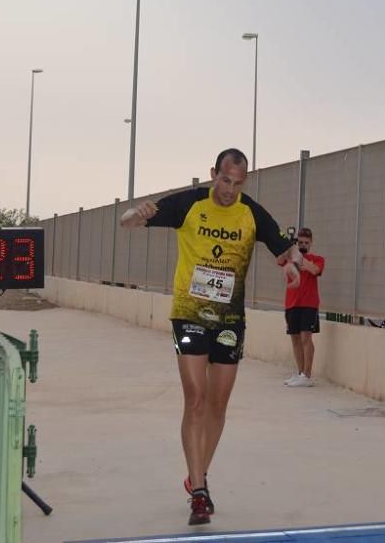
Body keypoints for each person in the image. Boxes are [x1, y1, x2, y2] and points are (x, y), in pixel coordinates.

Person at [120, 148, 303, 526]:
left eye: (237, 183)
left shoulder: (250, 211)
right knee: (196, 398)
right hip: (188, 314)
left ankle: (196, 473)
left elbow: (285, 250)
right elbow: (127, 222)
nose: (229, 190)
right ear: (213, 174)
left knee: (218, 404)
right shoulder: (189, 204)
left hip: (229, 320)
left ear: (244, 181)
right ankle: (200, 491)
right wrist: (134, 214)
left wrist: (292, 269)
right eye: (224, 181)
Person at [280, 227, 324, 387]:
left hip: (309, 304)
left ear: (311, 243)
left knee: (306, 338)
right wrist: (288, 247)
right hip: (292, 303)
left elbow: (315, 269)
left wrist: (299, 256)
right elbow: (279, 260)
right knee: (295, 339)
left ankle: (307, 375)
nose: (303, 245)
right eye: (300, 242)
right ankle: (300, 373)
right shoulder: (291, 257)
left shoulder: (317, 258)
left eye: (306, 242)